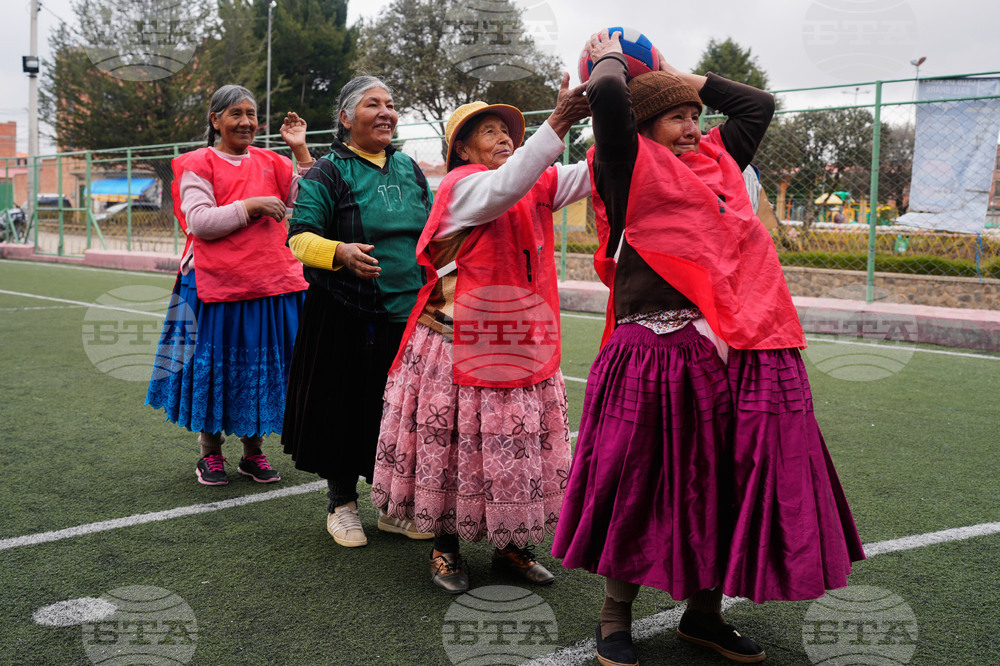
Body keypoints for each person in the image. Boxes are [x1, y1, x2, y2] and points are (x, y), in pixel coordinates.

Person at [551, 33, 865, 666]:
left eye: (696, 116)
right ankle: (616, 616)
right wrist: (612, 57)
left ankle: (704, 616)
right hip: (651, 353)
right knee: (636, 483)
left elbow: (758, 105)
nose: (694, 126)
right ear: (643, 126)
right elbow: (612, 95)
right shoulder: (623, 163)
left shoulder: (721, 159)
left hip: (731, 352)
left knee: (723, 482)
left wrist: (676, 76)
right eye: (677, 117)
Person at [370, 73, 591, 594]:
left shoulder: (533, 179)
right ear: (462, 149)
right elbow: (505, 186)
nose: (503, 136)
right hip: (455, 345)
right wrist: (557, 121)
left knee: (511, 451)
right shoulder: (464, 187)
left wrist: (614, 111)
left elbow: (593, 173)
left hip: (518, 344)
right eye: (488, 130)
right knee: (455, 450)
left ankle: (509, 546)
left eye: (507, 129)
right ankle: (445, 547)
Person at [281, 76, 434, 548]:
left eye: (391, 104)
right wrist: (341, 252)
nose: (386, 112)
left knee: (397, 413)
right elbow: (299, 237)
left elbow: (432, 230)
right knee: (343, 406)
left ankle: (390, 505)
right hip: (345, 313)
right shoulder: (329, 171)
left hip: (407, 314)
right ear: (346, 119)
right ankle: (341, 502)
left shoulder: (409, 167)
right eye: (373, 105)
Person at [146, 85, 313, 486]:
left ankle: (253, 453)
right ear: (215, 120)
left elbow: (310, 199)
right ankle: (210, 453)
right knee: (217, 369)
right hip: (214, 286)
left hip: (271, 284)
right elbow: (199, 222)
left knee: (260, 370)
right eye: (235, 114)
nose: (246, 122)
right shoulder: (198, 163)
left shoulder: (274, 161)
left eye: (251, 114)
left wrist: (301, 151)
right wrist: (251, 206)